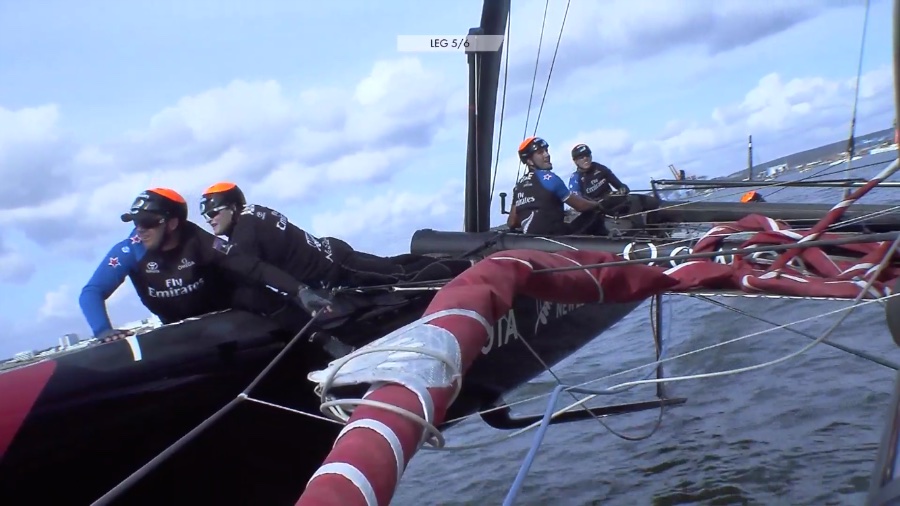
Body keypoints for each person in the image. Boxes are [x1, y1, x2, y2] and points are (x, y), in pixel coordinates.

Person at [78, 187, 329, 343]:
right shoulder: (128, 250)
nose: (140, 230)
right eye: (136, 222)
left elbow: (252, 266)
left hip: (220, 305)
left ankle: (322, 340)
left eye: (147, 223)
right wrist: (102, 330)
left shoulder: (200, 241)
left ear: (172, 224)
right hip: (176, 323)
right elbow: (92, 292)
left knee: (254, 293)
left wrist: (300, 290)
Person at [198, 182, 459, 291]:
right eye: (205, 214)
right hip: (332, 252)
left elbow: (245, 272)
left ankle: (459, 271)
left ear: (233, 207)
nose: (209, 218)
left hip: (335, 267)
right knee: (392, 265)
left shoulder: (245, 232)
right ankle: (459, 263)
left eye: (214, 211)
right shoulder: (254, 212)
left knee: (400, 279)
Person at [506, 136, 607, 235]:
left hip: (531, 239)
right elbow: (580, 206)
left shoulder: (519, 186)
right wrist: (597, 204)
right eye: (540, 152)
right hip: (556, 237)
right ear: (529, 161)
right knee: (594, 214)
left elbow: (512, 222)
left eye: (546, 150)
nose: (547, 155)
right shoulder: (549, 178)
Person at [567, 143, 630, 210]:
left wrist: (623, 189)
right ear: (575, 161)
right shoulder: (575, 178)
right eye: (581, 157)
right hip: (592, 210)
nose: (585, 158)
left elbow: (620, 186)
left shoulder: (600, 168)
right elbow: (578, 203)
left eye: (587, 155)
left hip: (611, 204)